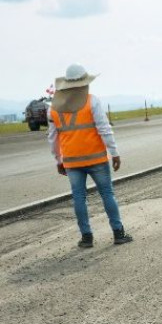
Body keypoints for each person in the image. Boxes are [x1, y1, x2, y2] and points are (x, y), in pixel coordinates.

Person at [48, 64, 133, 248]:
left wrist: (58, 160)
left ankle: (86, 237)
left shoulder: (53, 108)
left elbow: (52, 138)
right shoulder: (92, 101)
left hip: (71, 161)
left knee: (78, 197)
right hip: (96, 159)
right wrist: (114, 152)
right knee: (107, 194)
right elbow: (104, 129)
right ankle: (118, 233)